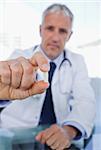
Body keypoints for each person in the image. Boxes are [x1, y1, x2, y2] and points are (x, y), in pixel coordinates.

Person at [0, 3, 96, 150]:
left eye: (62, 31)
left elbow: (85, 101)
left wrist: (69, 130)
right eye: (50, 28)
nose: (55, 37)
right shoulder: (20, 57)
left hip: (57, 135)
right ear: (40, 30)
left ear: (69, 35)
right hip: (15, 137)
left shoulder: (77, 61)